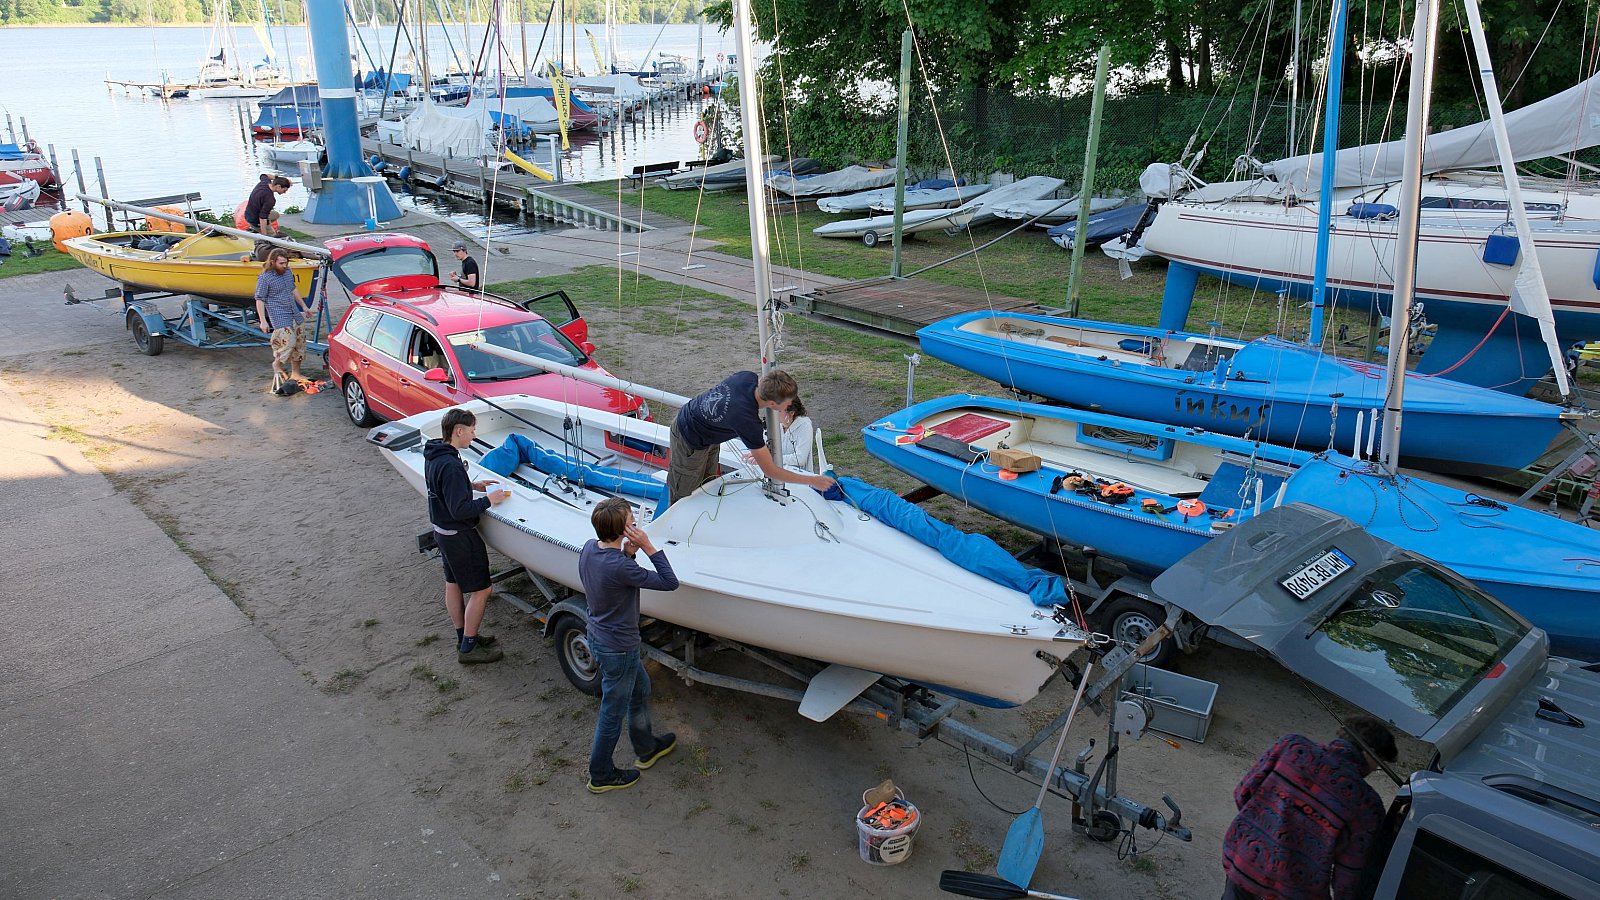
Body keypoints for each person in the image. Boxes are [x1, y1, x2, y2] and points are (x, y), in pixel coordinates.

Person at [1221, 716, 1398, 900]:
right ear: (1370, 753)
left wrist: (1265, 829)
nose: (1374, 770)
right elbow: (1349, 874)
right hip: (1296, 889)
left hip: (1244, 860)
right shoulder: (1368, 805)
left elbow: (1242, 793)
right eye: (1378, 764)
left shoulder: (1291, 746)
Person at [580, 497, 680, 793]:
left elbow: (614, 576)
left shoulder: (590, 548)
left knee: (640, 689)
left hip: (599, 636)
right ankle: (601, 774)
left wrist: (628, 553)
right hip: (619, 649)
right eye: (632, 522)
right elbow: (670, 582)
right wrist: (648, 547)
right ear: (623, 530)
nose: (636, 523)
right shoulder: (620, 567)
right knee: (612, 713)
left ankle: (646, 747)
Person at [667, 370, 835, 507]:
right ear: (772, 404)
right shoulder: (746, 420)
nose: (790, 405)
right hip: (688, 436)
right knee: (684, 495)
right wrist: (812, 480)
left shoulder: (747, 377)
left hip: (709, 434)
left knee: (707, 486)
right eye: (787, 403)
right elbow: (770, 471)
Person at [424, 408, 510, 665]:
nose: (474, 436)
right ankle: (469, 648)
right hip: (459, 536)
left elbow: (442, 486)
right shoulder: (451, 465)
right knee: (482, 589)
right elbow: (459, 510)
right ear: (459, 431)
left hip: (442, 531)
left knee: (453, 584)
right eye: (472, 431)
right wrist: (489, 500)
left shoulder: (435, 453)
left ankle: (463, 637)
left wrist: (470, 485)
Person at [253, 248, 317, 393]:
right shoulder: (264, 278)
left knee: (300, 342)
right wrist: (263, 320)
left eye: (286, 262)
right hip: (278, 313)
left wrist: (304, 306)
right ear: (273, 262)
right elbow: (259, 299)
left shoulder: (288, 272)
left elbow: (293, 289)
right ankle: (276, 363)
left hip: (293, 311)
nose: (284, 265)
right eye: (281, 263)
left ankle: (296, 373)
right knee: (288, 341)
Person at [244, 174, 292, 261]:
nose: (285, 192)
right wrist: (265, 237)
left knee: (275, 214)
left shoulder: (264, 182)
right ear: (278, 186)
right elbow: (262, 218)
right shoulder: (270, 199)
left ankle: (259, 228)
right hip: (255, 220)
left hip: (248, 213)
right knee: (273, 238)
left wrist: (279, 178)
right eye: (284, 190)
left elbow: (264, 175)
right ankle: (272, 255)